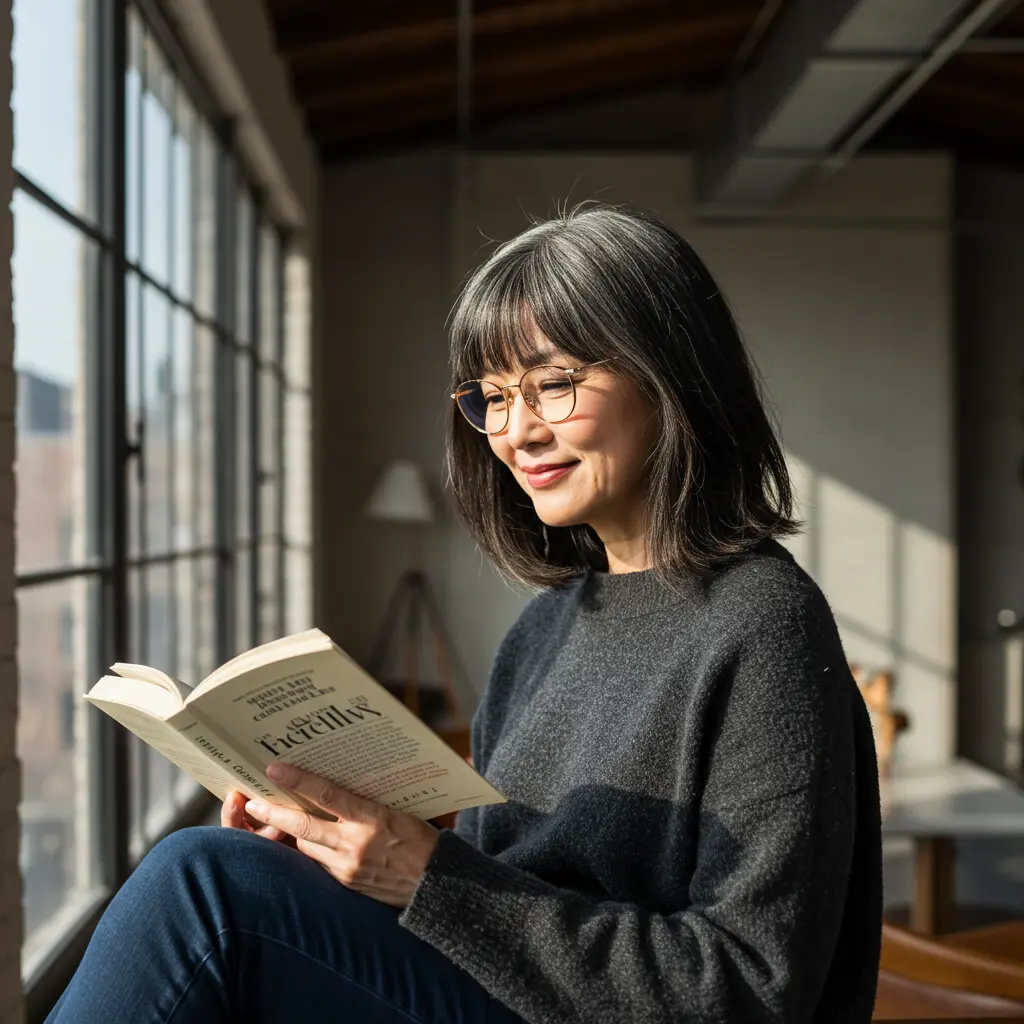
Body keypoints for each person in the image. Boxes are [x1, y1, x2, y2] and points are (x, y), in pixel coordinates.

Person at [47, 204, 882, 1023]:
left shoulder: (763, 621)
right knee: (232, 872)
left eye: (554, 385)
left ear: (675, 381)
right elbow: (486, 895)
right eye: (490, 398)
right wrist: (339, 856)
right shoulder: (548, 624)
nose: (516, 431)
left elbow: (752, 988)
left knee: (206, 886)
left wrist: (429, 877)